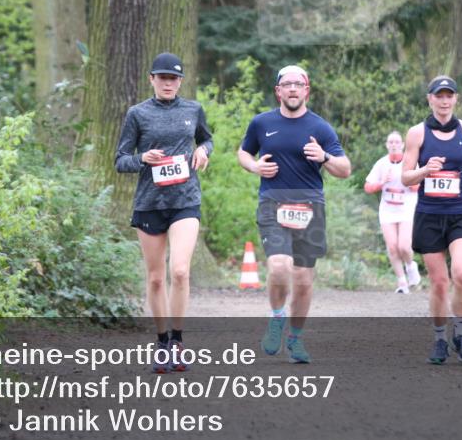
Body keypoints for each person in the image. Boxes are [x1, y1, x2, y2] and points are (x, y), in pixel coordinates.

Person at [237, 65, 351, 363]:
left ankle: (296, 339)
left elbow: (345, 169)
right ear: (277, 91)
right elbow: (243, 152)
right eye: (286, 84)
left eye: (297, 84)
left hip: (310, 205)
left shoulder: (320, 128)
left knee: (302, 278)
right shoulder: (261, 123)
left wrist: (324, 157)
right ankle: (277, 318)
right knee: (278, 268)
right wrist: (254, 167)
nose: (292, 89)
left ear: (306, 90)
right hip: (272, 202)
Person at [115, 53, 213, 373]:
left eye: (173, 78)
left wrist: (202, 150)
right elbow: (120, 160)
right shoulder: (137, 114)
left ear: (180, 81)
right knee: (157, 278)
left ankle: (177, 341)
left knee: (180, 271)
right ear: (151, 79)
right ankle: (160, 343)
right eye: (162, 78)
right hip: (149, 203)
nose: (168, 83)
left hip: (185, 200)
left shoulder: (193, 110)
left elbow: (207, 140)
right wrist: (144, 158)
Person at [402, 76, 462, 365]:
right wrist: (425, 170)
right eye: (438, 96)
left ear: (456, 99)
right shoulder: (417, 134)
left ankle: (461, 335)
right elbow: (405, 177)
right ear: (429, 99)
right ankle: (440, 338)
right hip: (429, 216)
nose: (444, 101)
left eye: (448, 96)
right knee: (440, 282)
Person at [365, 131, 421, 293]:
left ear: (403, 145)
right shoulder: (381, 164)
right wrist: (382, 182)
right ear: (387, 145)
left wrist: (406, 179)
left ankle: (411, 267)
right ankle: (402, 283)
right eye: (391, 142)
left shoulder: (410, 163)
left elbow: (418, 187)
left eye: (397, 142)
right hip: (388, 211)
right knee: (392, 247)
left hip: (406, 208)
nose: (394, 145)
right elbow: (368, 187)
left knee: (404, 246)